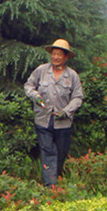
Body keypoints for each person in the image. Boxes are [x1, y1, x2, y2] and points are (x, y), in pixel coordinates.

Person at [24, 39, 83, 188]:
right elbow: (29, 86)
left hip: (63, 122)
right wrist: (36, 97)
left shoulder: (72, 76)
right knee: (47, 150)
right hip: (43, 120)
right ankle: (50, 185)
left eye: (59, 55)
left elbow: (77, 97)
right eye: (54, 54)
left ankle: (56, 180)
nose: (55, 57)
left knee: (61, 153)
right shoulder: (41, 70)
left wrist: (66, 111)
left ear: (66, 57)